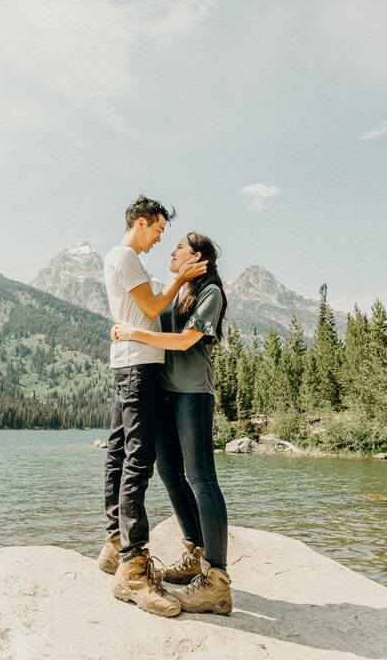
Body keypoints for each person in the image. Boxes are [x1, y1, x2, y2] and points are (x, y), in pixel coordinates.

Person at [97, 195, 207, 618]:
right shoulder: (125, 257)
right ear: (141, 223)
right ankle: (133, 567)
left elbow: (140, 313)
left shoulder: (125, 259)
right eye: (158, 230)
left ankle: (115, 544)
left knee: (119, 454)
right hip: (138, 369)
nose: (160, 239)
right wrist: (180, 280)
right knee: (138, 462)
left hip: (130, 366)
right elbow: (152, 307)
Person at [112, 232, 232, 615]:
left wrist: (131, 333)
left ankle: (217, 582)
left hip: (192, 393)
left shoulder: (210, 293)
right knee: (169, 473)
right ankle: (196, 554)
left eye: (178, 247)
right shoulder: (175, 290)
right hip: (164, 392)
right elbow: (147, 312)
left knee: (201, 478)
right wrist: (123, 328)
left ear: (196, 256)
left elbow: (182, 342)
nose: (171, 250)